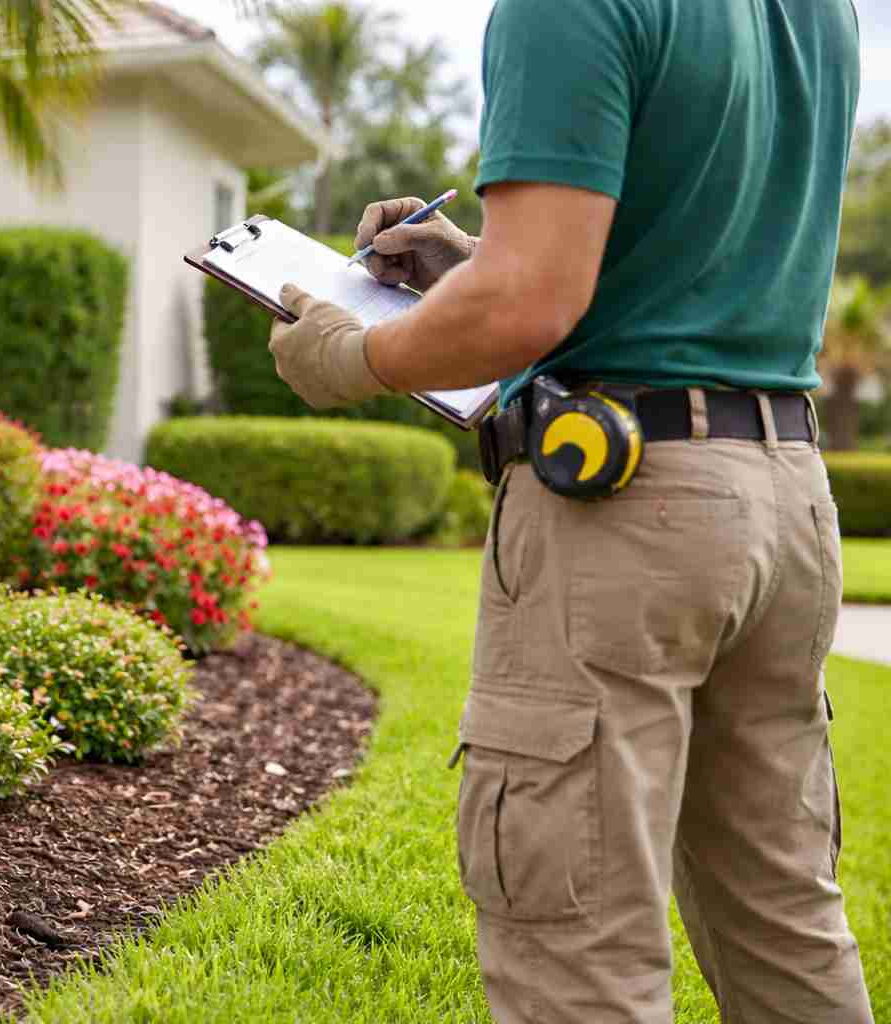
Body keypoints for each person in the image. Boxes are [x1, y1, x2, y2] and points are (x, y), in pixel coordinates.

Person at [265, 0, 868, 1020]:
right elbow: (675, 259)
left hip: (630, 513)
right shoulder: (818, 13)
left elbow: (526, 304)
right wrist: (478, 263)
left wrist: (348, 354)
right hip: (784, 490)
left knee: (579, 953)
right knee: (783, 919)